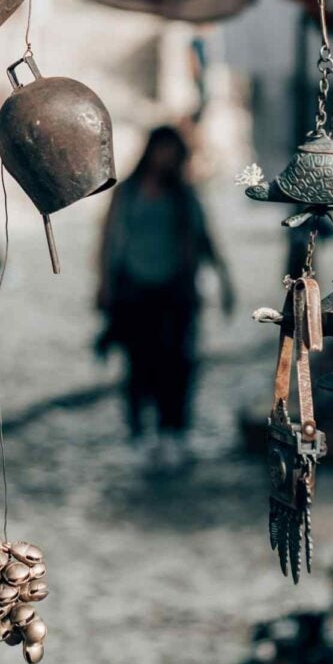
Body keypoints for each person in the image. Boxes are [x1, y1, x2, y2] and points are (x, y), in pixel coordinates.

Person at [97, 125, 234, 464]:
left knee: (177, 364)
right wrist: (104, 283)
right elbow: (111, 236)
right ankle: (140, 432)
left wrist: (224, 279)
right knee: (139, 365)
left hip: (175, 291)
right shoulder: (128, 192)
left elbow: (204, 237)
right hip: (135, 290)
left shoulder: (184, 196)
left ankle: (173, 429)